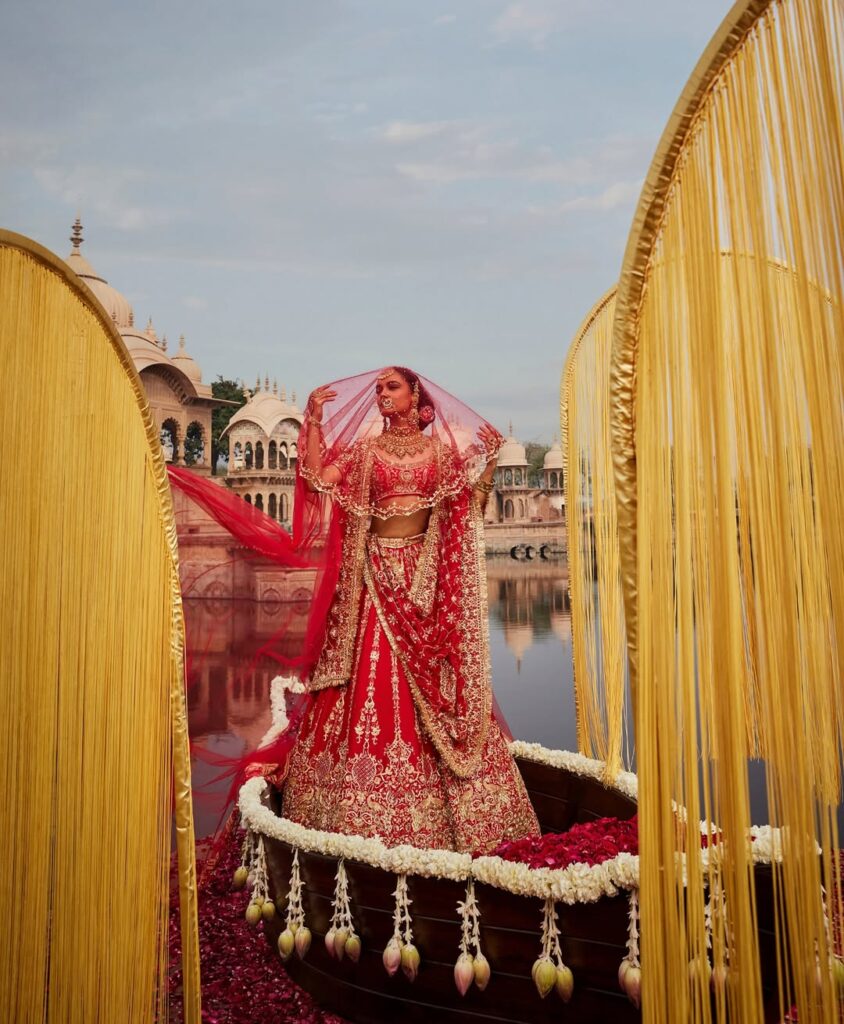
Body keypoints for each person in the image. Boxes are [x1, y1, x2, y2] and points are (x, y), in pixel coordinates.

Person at [280, 366, 539, 853]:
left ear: (415, 394)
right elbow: (316, 480)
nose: (382, 394)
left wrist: (487, 461)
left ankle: (457, 816)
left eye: (391, 387)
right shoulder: (365, 450)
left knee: (437, 688)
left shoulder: (440, 452)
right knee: (368, 681)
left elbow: (468, 505)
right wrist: (312, 421)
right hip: (375, 580)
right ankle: (352, 813)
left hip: (425, 587)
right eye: (378, 388)